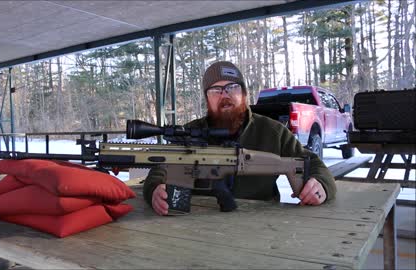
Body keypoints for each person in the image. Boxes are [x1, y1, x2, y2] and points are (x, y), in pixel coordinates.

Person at [143, 61, 336, 215]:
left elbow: (314, 164)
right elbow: (160, 168)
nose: (224, 95)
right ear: (207, 99)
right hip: (199, 224)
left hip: (262, 222)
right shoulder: (189, 132)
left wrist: (320, 185)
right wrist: (155, 192)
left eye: (231, 88)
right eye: (215, 91)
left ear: (243, 93)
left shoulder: (272, 131)